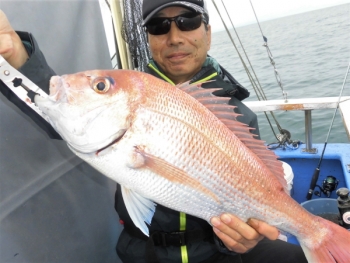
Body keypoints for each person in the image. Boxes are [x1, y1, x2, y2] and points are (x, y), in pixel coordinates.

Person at [0, 1, 307, 262]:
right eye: (159, 26)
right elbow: (62, 112)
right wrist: (15, 53)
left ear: (208, 33)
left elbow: (258, 195)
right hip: (144, 251)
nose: (174, 37)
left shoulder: (238, 114)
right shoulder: (133, 90)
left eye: (188, 21)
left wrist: (242, 237)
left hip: (214, 252)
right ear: (148, 38)